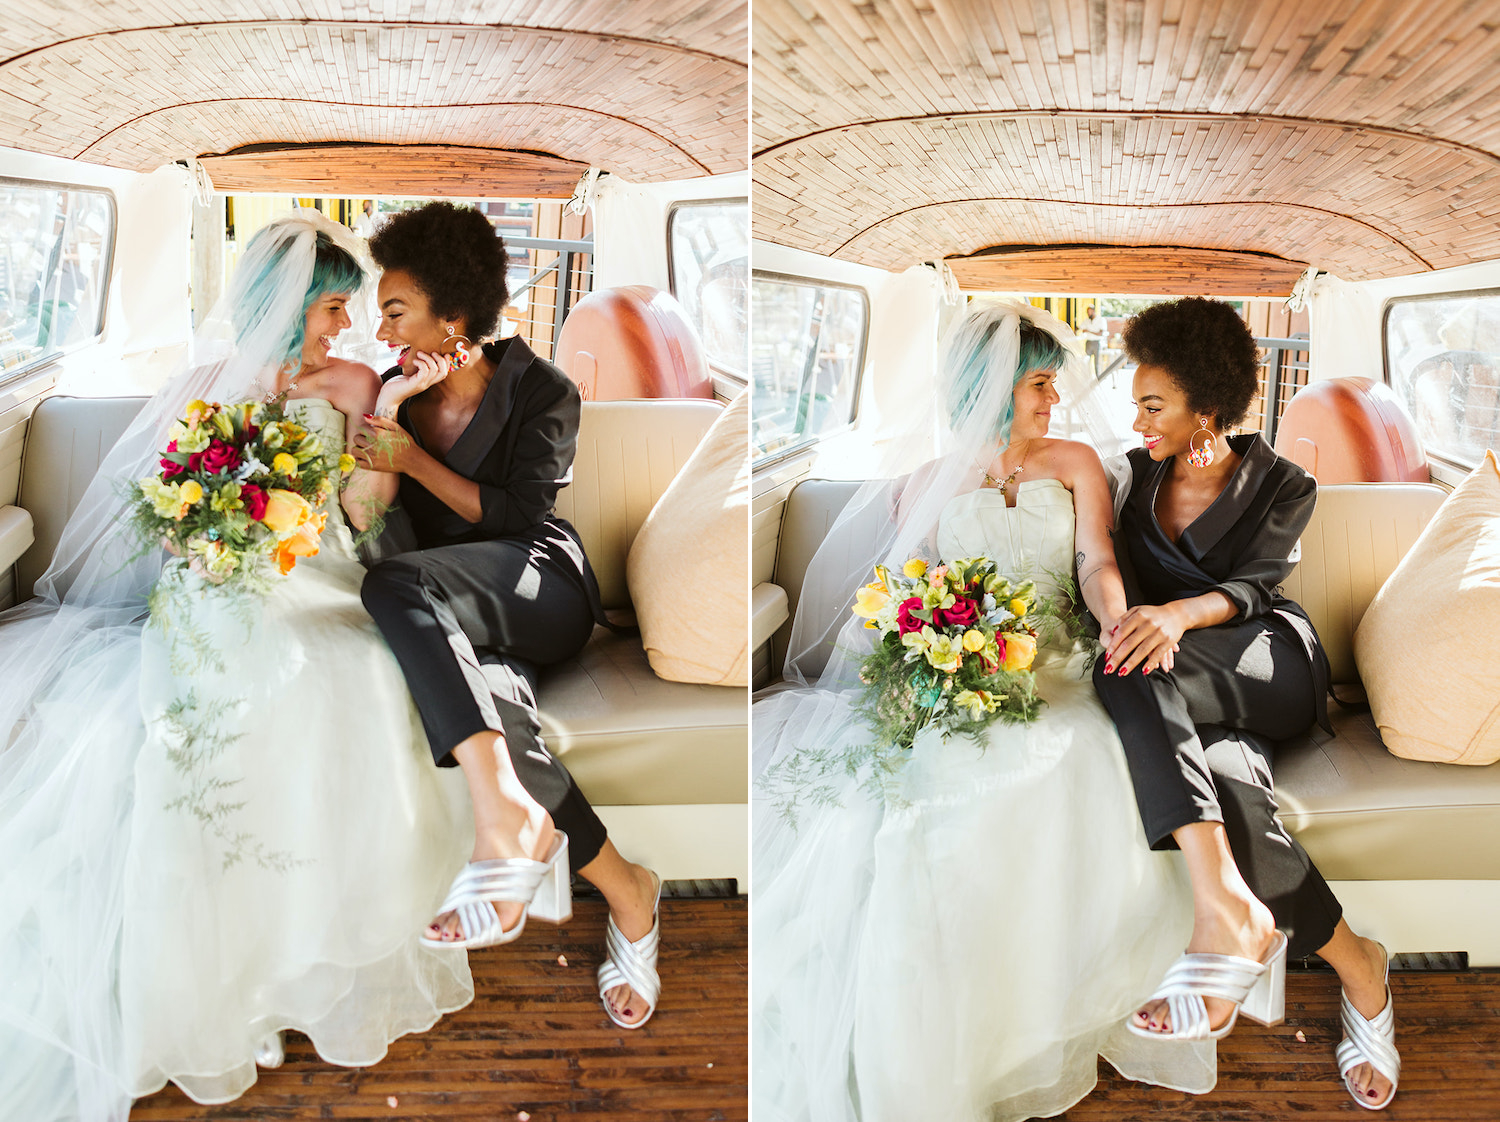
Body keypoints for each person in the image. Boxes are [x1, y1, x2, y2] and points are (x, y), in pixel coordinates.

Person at [0, 210, 479, 1120]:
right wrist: (217, 539)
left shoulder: (350, 385)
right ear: (287, 303)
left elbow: (366, 517)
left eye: (347, 308)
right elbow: (164, 517)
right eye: (333, 306)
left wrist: (384, 413)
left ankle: (309, 956)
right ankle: (237, 975)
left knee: (362, 677)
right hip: (222, 583)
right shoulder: (205, 386)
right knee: (240, 694)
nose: (347, 326)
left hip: (326, 583)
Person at [751, 299, 1216, 1122]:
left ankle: (1044, 1011)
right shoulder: (920, 487)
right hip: (962, 678)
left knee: (1069, 762)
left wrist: (1115, 621)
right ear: (997, 386)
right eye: (1040, 382)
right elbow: (909, 598)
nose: (1054, 399)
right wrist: (936, 650)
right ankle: (953, 1026)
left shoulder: (1075, 462)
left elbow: (1096, 561)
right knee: (922, 803)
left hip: (1064, 670)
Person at [351, 202, 662, 1029]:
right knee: (503, 717)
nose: (381, 333)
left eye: (394, 311)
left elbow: (519, 520)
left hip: (541, 589)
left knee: (394, 591)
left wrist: (411, 458)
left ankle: (505, 824)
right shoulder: (396, 394)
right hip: (455, 605)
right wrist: (389, 421)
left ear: (452, 314)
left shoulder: (545, 389)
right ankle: (629, 890)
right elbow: (376, 529)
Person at [1095, 297, 1398, 1110]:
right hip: (1185, 680)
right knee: (1230, 783)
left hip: (1270, 662)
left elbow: (1252, 587)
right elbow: (1109, 575)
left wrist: (1170, 614)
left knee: (1126, 664)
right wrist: (1125, 611)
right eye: (1137, 401)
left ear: (1208, 404)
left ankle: (1223, 916)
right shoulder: (1133, 477)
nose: (1138, 416)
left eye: (1153, 403)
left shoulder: (1284, 483)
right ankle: (1357, 963)